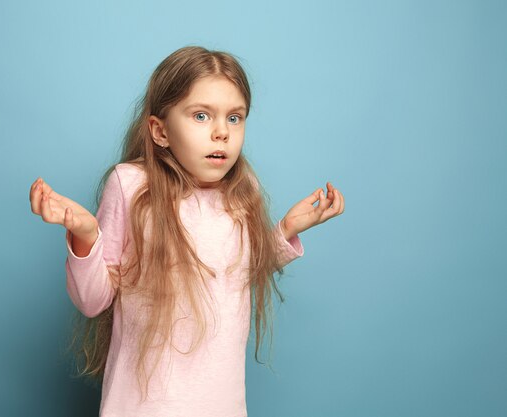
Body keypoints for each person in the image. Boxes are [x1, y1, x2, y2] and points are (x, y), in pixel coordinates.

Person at [29, 45, 344, 417]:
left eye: (234, 118)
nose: (221, 133)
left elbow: (233, 274)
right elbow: (94, 299)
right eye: (200, 116)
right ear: (160, 131)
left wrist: (287, 229)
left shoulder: (245, 193)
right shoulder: (131, 186)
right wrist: (85, 234)